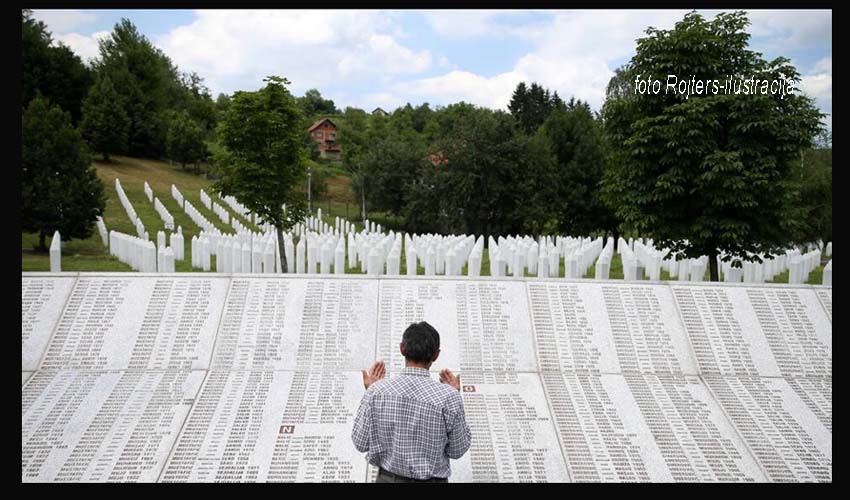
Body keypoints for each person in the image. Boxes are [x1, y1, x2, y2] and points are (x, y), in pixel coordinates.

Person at [351, 321, 472, 483]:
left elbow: (360, 442)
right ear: (436, 355)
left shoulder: (376, 392)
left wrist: (371, 392)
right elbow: (458, 450)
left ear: (402, 349)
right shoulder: (449, 398)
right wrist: (453, 395)